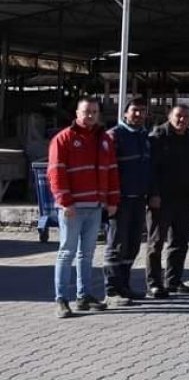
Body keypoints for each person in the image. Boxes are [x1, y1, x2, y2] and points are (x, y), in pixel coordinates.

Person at [48, 98, 119, 318]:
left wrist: (112, 200)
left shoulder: (104, 139)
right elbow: (56, 172)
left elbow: (112, 170)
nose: (90, 116)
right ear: (77, 113)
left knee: (86, 254)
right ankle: (61, 300)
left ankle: (84, 296)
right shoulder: (64, 138)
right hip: (73, 208)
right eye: (86, 111)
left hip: (95, 206)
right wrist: (65, 201)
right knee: (66, 253)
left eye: (94, 112)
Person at [146, 104, 189, 297]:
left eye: (186, 117)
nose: (182, 120)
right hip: (161, 199)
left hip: (184, 198)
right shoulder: (158, 136)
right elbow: (151, 169)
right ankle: (154, 283)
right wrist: (153, 194)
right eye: (178, 116)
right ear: (169, 116)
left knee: (180, 242)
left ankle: (173, 280)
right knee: (156, 243)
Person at [104, 97, 151, 306]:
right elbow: (106, 169)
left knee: (132, 245)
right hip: (119, 200)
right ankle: (112, 290)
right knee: (116, 244)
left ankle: (124, 285)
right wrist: (109, 199)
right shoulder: (114, 136)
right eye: (134, 110)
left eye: (142, 111)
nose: (139, 114)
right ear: (125, 113)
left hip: (139, 199)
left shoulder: (144, 136)